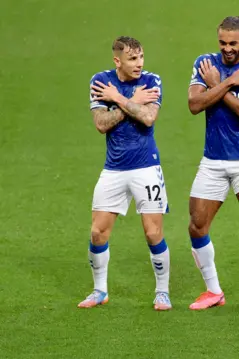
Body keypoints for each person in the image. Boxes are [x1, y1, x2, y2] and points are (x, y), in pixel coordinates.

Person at [79, 36, 171, 311]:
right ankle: (99, 290)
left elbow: (148, 117)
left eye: (141, 57)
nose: (139, 64)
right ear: (117, 61)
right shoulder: (100, 81)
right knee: (97, 233)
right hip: (114, 169)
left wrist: (118, 98)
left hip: (146, 167)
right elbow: (101, 123)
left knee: (153, 234)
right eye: (132, 59)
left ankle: (162, 292)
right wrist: (132, 101)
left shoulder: (152, 81)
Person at [186, 16, 239, 314]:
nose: (227, 49)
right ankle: (213, 290)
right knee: (197, 226)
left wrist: (219, 86)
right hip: (213, 160)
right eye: (222, 42)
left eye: (233, 43)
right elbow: (195, 105)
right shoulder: (205, 63)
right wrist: (230, 84)